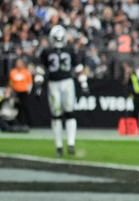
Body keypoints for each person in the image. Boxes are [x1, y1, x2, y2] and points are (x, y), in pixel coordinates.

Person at [40, 25, 84, 157]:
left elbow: (77, 67)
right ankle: (61, 145)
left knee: (64, 114)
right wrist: (84, 83)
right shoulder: (52, 51)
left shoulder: (65, 50)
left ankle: (68, 144)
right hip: (58, 83)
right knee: (60, 114)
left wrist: (38, 83)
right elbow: (78, 68)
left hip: (63, 82)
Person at [8, 58, 34, 129]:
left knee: (26, 108)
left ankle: (29, 123)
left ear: (22, 64)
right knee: (16, 108)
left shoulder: (26, 72)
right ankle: (17, 123)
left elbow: (30, 83)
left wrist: (28, 91)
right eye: (17, 62)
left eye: (19, 62)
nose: (18, 64)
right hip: (16, 93)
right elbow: (11, 82)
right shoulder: (13, 72)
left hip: (24, 92)